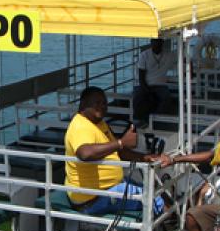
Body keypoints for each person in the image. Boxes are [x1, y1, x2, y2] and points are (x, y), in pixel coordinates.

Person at [65, 86, 164, 215]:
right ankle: (169, 228)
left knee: (153, 189)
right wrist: (121, 142)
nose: (102, 106)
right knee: (157, 199)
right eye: (97, 103)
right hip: (93, 199)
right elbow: (85, 153)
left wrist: (144, 157)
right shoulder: (81, 126)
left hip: (108, 189)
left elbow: (119, 151)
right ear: (84, 104)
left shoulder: (100, 124)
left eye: (105, 103)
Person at [133, 39, 176, 127]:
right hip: (145, 84)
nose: (156, 44)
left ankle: (155, 120)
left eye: (158, 42)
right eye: (154, 41)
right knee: (138, 97)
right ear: (151, 42)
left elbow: (184, 58)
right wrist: (147, 90)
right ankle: (138, 120)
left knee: (166, 98)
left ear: (162, 43)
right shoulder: (144, 55)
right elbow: (141, 77)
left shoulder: (169, 55)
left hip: (161, 85)